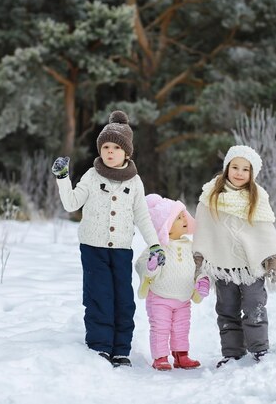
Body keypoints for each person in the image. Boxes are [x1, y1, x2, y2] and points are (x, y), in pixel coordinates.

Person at [51, 110, 165, 368]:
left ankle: (121, 349)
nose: (110, 151)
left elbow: (142, 216)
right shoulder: (92, 176)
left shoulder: (135, 182)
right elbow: (71, 204)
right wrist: (62, 178)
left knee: (123, 299)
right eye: (105, 146)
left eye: (116, 147)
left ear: (127, 152)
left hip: (122, 250)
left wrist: (154, 244)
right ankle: (101, 346)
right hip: (93, 248)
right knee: (99, 296)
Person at [192, 145, 276, 368]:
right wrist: (199, 259)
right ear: (227, 168)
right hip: (222, 264)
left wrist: (271, 256)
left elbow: (264, 230)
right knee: (226, 309)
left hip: (250, 266)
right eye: (235, 167)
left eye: (246, 169)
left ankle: (260, 348)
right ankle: (232, 352)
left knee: (255, 305)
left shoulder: (257, 197)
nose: (239, 173)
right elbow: (204, 229)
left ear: (252, 174)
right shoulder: (211, 196)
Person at [135, 194, 210, 371]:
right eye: (178, 217)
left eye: (183, 215)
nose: (184, 218)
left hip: (183, 298)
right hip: (160, 297)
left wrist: (201, 281)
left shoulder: (190, 246)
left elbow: (199, 267)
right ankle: (160, 357)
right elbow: (140, 265)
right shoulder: (157, 247)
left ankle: (181, 355)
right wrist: (151, 265)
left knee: (181, 327)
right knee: (160, 327)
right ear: (165, 226)